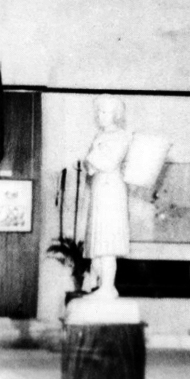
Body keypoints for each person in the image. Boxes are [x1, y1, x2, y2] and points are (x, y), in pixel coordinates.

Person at [83, 94, 133, 298]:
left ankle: (107, 287)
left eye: (105, 112)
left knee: (107, 242)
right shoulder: (99, 136)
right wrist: (92, 159)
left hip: (111, 191)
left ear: (115, 115)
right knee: (98, 243)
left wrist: (92, 156)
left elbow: (108, 163)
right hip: (99, 190)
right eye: (99, 111)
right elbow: (90, 168)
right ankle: (102, 285)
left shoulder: (121, 136)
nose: (101, 115)